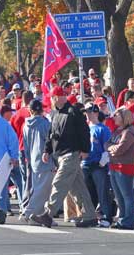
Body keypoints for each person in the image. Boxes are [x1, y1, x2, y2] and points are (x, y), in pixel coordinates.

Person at [30, 86, 97, 228]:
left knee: (58, 183)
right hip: (60, 155)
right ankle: (90, 215)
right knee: (77, 187)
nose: (52, 100)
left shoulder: (74, 112)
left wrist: (85, 149)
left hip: (71, 154)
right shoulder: (54, 113)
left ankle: (48, 214)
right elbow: (51, 134)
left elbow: (85, 132)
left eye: (54, 97)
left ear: (58, 97)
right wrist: (47, 150)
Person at [21, 99, 55, 224]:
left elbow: (26, 145)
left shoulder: (25, 125)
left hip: (33, 160)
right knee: (43, 190)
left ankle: (41, 216)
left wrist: (29, 160)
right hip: (45, 160)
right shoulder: (45, 124)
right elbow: (51, 143)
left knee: (41, 189)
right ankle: (29, 212)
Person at [105, 107, 134, 230]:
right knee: (119, 196)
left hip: (125, 166)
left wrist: (113, 148)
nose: (114, 118)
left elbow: (121, 148)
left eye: (116, 115)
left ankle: (128, 221)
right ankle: (122, 219)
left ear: (124, 117)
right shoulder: (117, 131)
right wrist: (112, 148)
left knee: (127, 195)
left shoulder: (130, 131)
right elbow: (106, 144)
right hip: (114, 165)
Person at [81, 102, 113, 227]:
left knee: (102, 191)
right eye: (86, 113)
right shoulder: (85, 128)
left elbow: (107, 148)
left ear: (95, 112)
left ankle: (106, 216)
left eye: (89, 112)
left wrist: (103, 160)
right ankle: (89, 215)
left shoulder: (102, 129)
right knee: (87, 192)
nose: (87, 115)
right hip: (85, 163)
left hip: (98, 164)